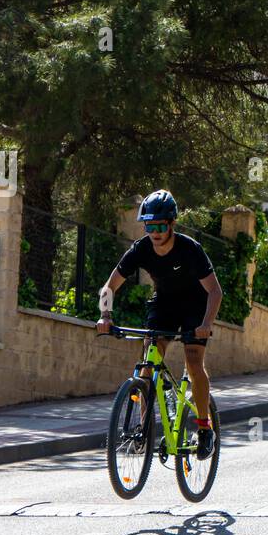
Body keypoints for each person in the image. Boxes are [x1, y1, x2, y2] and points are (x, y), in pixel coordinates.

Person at [96, 190, 223, 459]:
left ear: (172, 224)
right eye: (148, 226)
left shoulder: (190, 249)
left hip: (195, 306)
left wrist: (205, 324)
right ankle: (144, 428)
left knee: (193, 362)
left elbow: (214, 291)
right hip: (164, 304)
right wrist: (105, 316)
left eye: (159, 226)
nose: (153, 232)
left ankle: (204, 428)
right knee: (147, 364)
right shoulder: (141, 249)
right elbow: (110, 286)